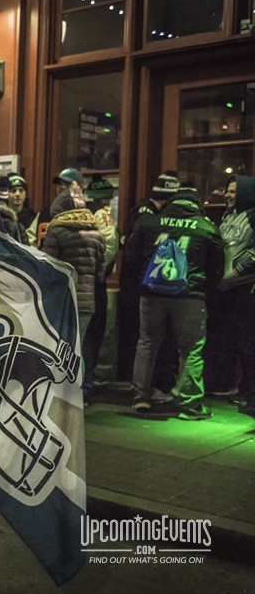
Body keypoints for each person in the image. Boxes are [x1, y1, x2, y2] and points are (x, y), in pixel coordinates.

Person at [124, 184, 224, 419]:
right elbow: (217, 267)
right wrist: (203, 288)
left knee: (147, 342)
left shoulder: (150, 223)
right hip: (190, 295)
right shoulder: (206, 227)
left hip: (152, 293)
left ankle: (141, 397)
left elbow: (130, 256)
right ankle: (189, 404)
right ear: (196, 203)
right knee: (190, 348)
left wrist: (141, 282)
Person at [115, 171, 180, 386]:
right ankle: (146, 384)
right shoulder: (147, 215)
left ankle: (141, 385)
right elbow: (134, 253)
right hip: (141, 284)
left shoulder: (143, 212)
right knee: (145, 338)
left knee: (145, 339)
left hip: (141, 283)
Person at [40, 189, 107, 397]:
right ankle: (78, 394)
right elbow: (101, 273)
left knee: (60, 348)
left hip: (62, 301)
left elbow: (48, 268)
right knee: (78, 349)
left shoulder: (57, 231)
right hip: (87, 302)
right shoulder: (96, 234)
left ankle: (60, 396)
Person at [207, 175, 255, 412]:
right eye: (227, 190)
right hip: (223, 290)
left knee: (248, 344)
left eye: (234, 191)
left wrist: (236, 272)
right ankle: (226, 385)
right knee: (227, 341)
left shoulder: (252, 216)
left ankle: (249, 393)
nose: (227, 194)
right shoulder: (227, 216)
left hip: (245, 289)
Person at [82, 176, 120, 393]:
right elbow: (108, 250)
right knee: (92, 334)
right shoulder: (103, 217)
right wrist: (101, 270)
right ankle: (87, 382)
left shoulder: (88, 216)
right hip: (96, 283)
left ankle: (84, 382)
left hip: (83, 281)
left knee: (86, 334)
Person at [32, 167, 85, 247]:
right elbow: (31, 240)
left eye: (68, 184)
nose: (62, 187)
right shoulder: (44, 213)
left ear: (80, 187)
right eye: (59, 184)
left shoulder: (89, 213)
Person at [6, 174, 37, 241]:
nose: (17, 194)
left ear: (26, 194)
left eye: (21, 190)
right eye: (13, 191)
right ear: (7, 194)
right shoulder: (2, 217)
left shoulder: (32, 217)